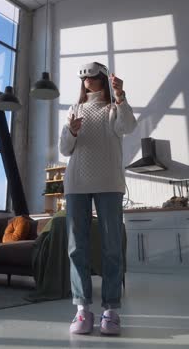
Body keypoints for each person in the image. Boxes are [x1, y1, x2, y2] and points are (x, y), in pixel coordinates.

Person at [60, 62, 137, 336]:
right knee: (76, 248)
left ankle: (111, 310)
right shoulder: (74, 109)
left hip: (109, 183)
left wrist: (121, 96)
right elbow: (65, 149)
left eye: (91, 77)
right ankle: (82, 310)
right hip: (76, 183)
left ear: (102, 78)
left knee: (112, 247)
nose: (86, 82)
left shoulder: (114, 108)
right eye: (83, 78)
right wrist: (72, 131)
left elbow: (127, 126)